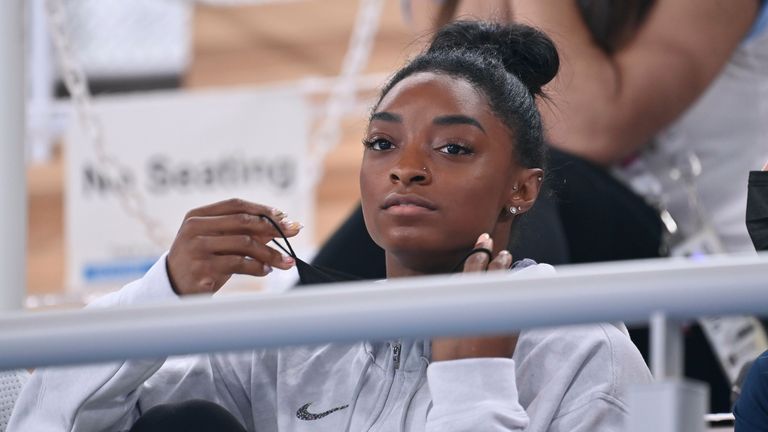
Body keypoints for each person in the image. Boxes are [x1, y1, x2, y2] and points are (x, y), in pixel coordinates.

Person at [8, 21, 652, 432]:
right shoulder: (297, 344)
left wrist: (474, 383)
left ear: (522, 187)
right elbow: (47, 424)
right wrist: (163, 294)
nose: (406, 170)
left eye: (452, 148)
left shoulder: (585, 351)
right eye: (381, 144)